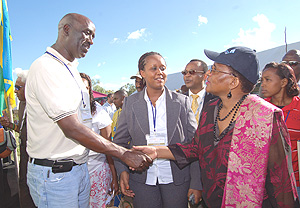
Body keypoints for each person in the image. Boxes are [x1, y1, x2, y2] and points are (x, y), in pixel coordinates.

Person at [135, 47, 299, 207]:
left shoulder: (266, 116)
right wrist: (157, 151)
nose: (208, 74)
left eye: (215, 70)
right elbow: (195, 148)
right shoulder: (211, 109)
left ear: (233, 81)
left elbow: (281, 182)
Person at [25, 13, 152, 208]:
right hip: (55, 176)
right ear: (66, 29)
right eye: (87, 33)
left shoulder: (72, 71)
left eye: (93, 36)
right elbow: (71, 128)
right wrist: (122, 153)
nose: (91, 41)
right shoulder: (47, 67)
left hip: (78, 169)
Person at [113, 52, 202, 208]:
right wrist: (122, 171)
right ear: (142, 73)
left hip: (177, 180)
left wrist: (196, 182)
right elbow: (119, 142)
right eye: (153, 68)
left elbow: (195, 145)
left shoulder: (182, 102)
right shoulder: (130, 104)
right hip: (142, 182)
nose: (159, 72)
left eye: (163, 68)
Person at [260, 62, 300, 197]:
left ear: (283, 82)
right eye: (261, 80)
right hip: (268, 184)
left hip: (296, 183)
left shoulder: (299, 107)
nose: (262, 84)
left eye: (267, 79)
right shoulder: (259, 109)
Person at [80, 73, 118, 208]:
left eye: (86, 88)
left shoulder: (98, 111)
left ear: (90, 90)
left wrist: (115, 177)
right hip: (75, 173)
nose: (82, 91)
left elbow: (108, 146)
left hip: (97, 170)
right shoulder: (67, 112)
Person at [0, 70, 36, 208]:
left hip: (36, 157)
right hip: (24, 155)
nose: (15, 91)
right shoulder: (22, 105)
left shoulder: (39, 105)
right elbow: (21, 129)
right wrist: (9, 125)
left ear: (29, 87)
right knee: (23, 186)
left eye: (18, 88)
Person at [182, 59, 215, 124]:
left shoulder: (216, 99)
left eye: (192, 72)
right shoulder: (179, 100)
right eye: (185, 72)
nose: (187, 75)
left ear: (205, 76)